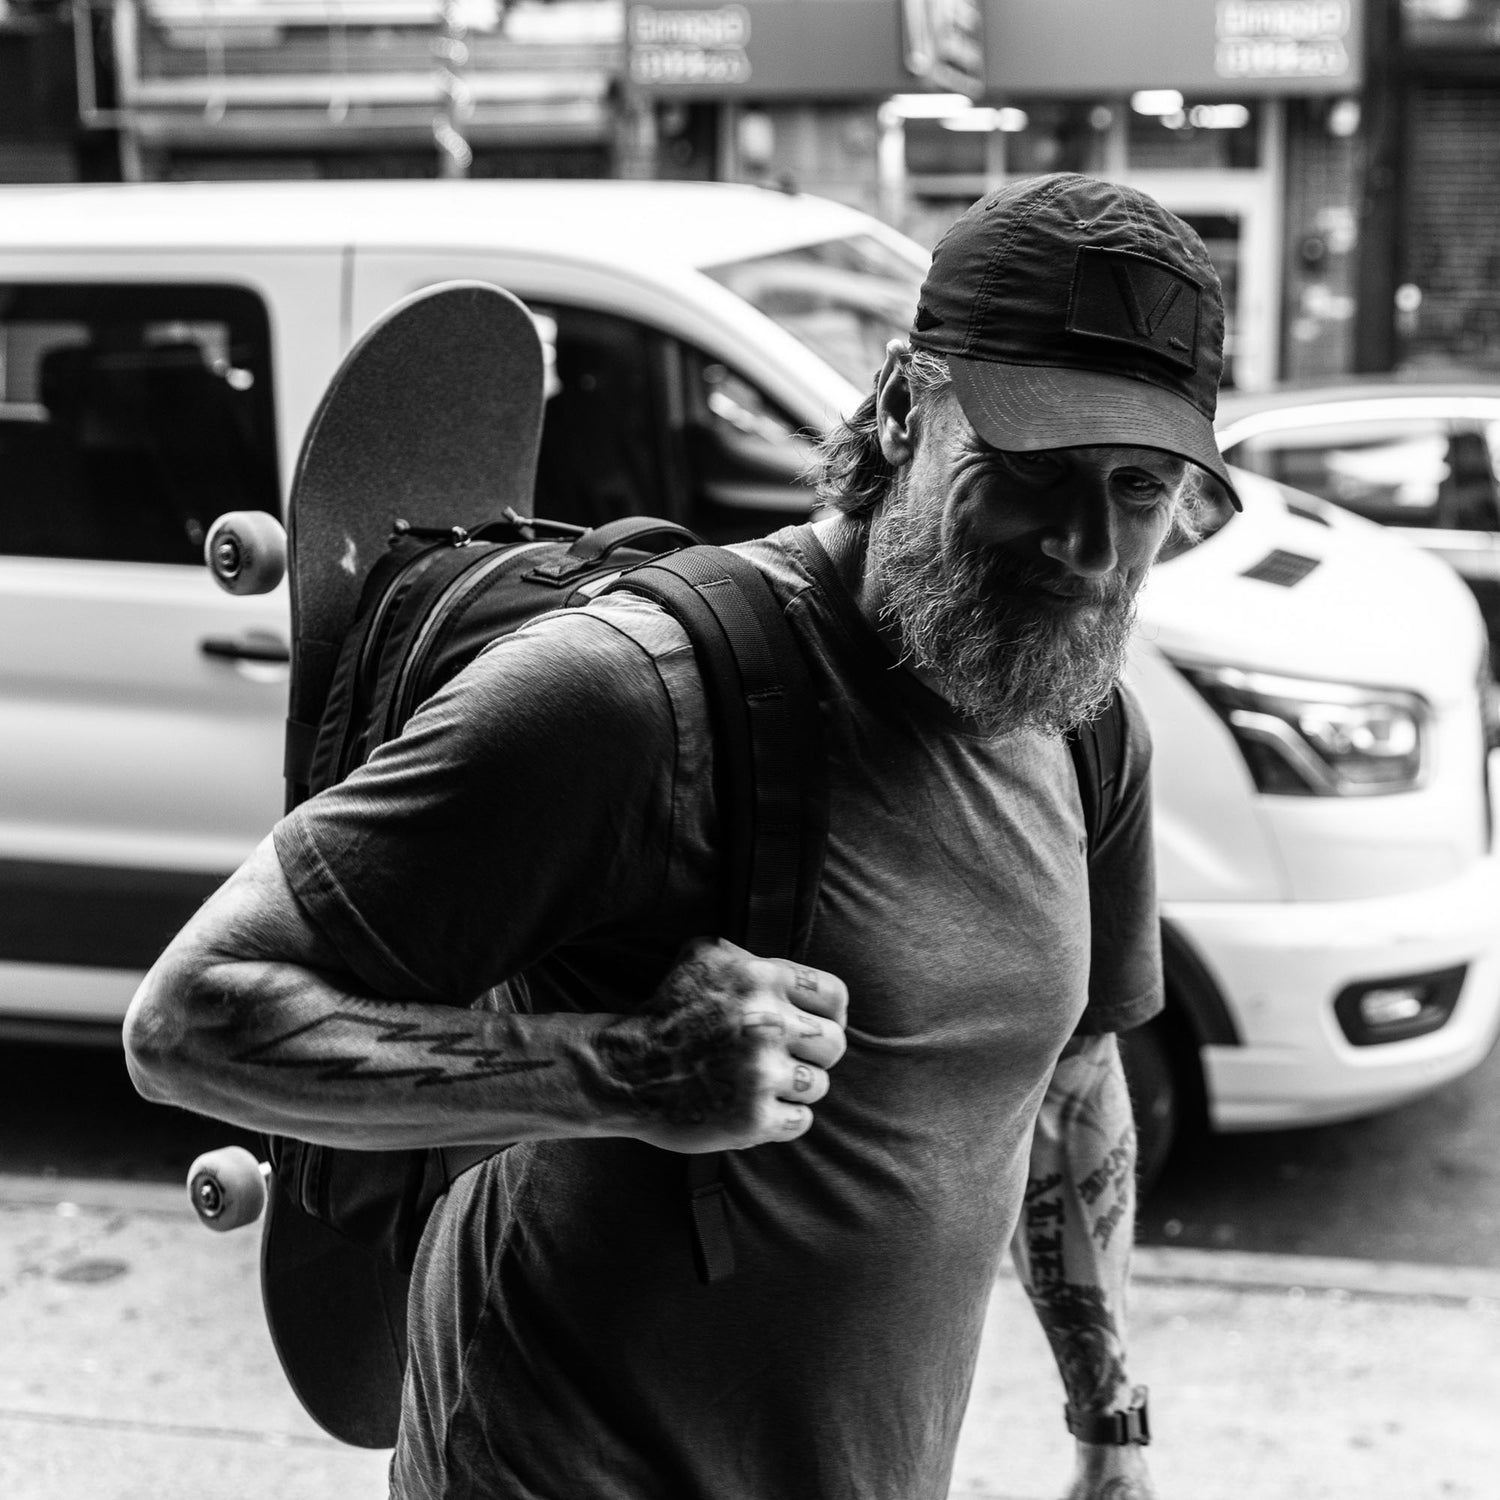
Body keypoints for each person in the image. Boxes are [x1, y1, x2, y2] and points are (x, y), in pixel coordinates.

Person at [124, 172, 1238, 1500]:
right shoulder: (628, 700)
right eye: (1033, 468)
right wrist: (618, 1070)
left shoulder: (1081, 720)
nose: (1088, 544)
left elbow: (1072, 1077)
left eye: (1140, 485)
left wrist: (1108, 1420)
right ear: (899, 407)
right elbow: (188, 1023)